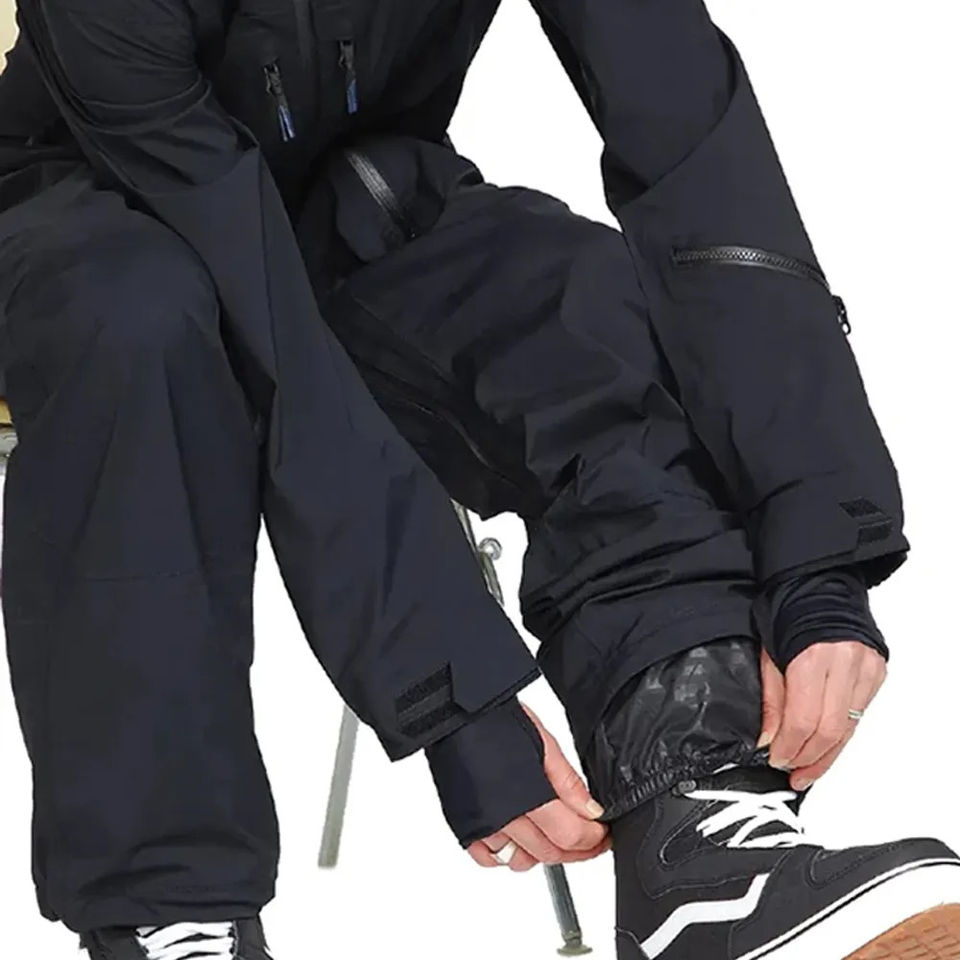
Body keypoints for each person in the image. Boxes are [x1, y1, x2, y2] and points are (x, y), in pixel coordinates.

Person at [0, 2, 957, 959]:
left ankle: (694, 828)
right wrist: (454, 697)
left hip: (331, 194)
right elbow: (276, 349)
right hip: (74, 207)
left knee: (571, 305)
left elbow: (694, 148)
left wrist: (819, 549)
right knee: (138, 324)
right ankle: (173, 913)